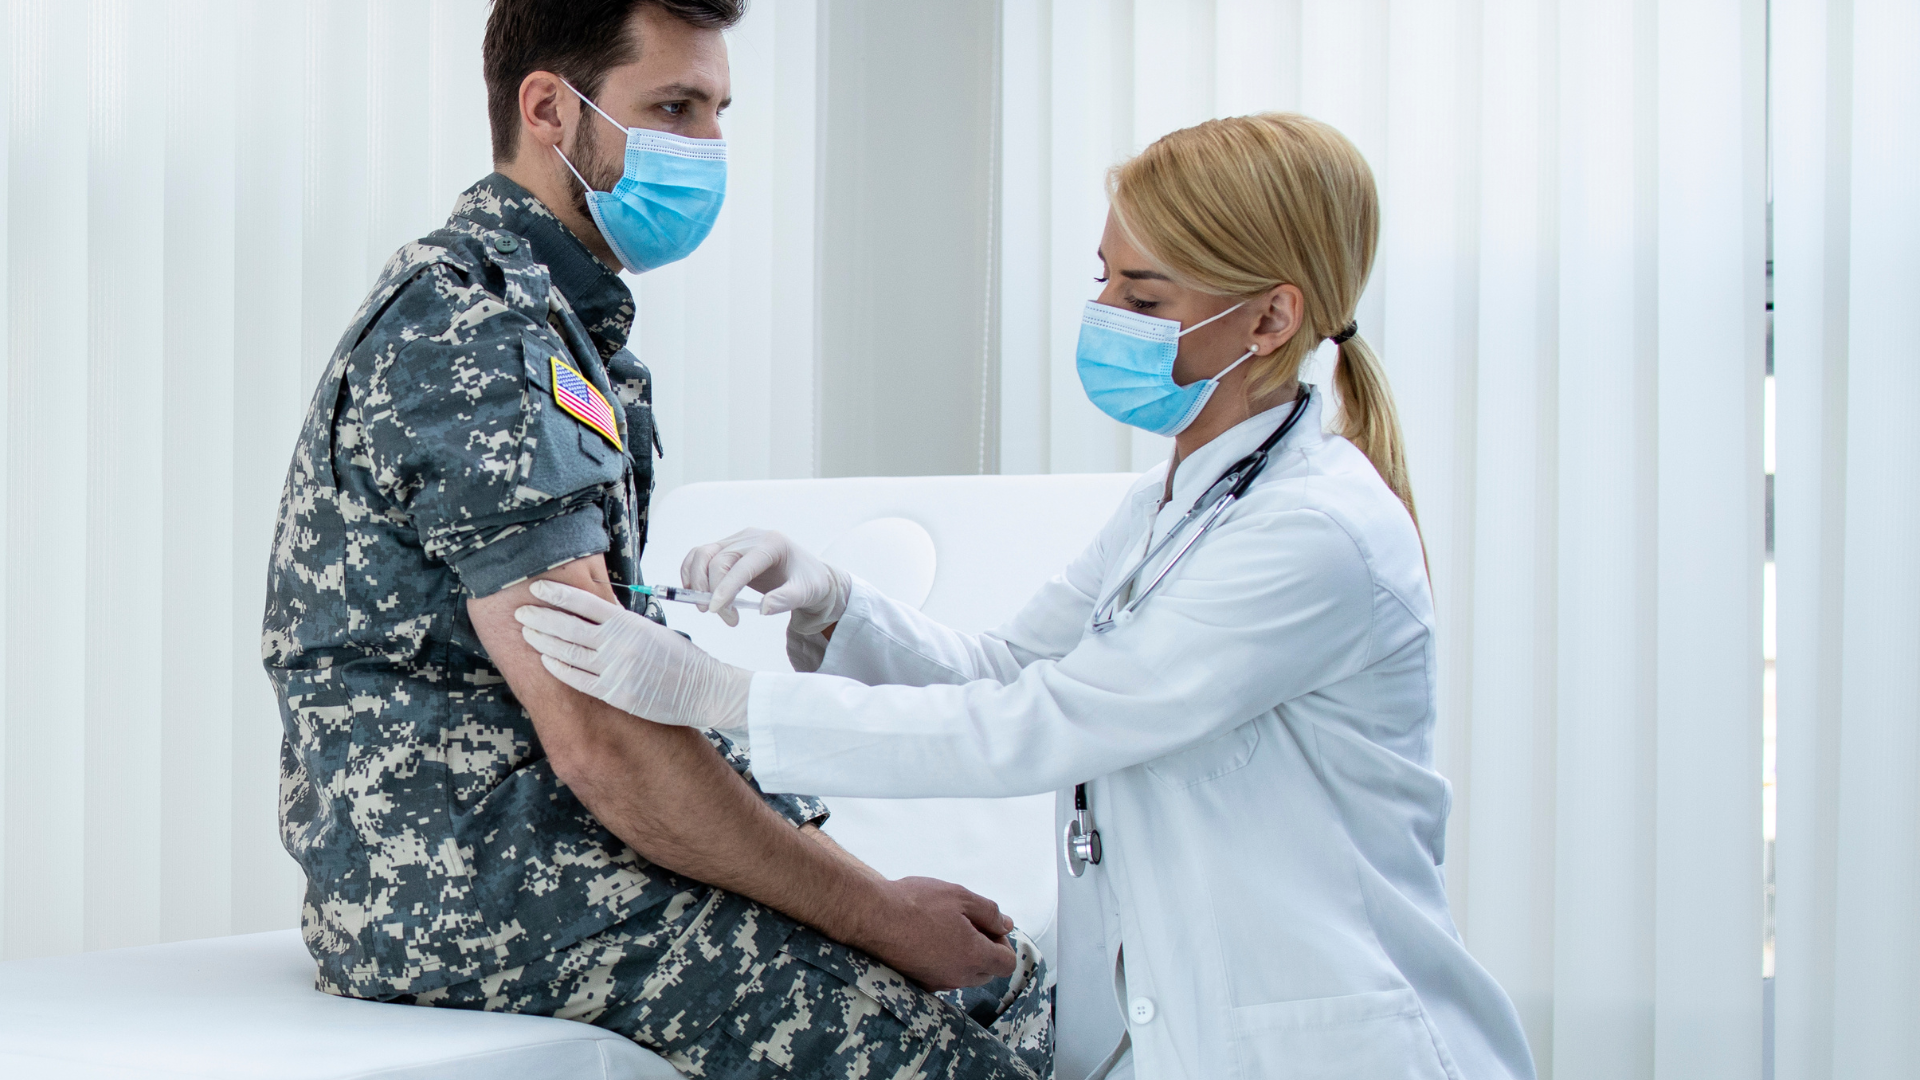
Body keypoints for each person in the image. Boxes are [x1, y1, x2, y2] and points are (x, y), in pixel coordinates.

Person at [517, 114, 1539, 1079]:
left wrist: (727, 699)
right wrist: (832, 600)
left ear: (1271, 318)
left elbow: (1045, 723)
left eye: (1146, 299)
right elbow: (1008, 669)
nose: (1108, 317)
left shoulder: (1315, 534)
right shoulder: (1172, 505)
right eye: (1106, 281)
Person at [261, 2, 1051, 1078]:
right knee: (953, 1062)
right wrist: (884, 917)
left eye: (719, 111)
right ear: (550, 109)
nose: (709, 147)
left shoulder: (562, 326)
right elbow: (606, 737)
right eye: (675, 108)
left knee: (1018, 991)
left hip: (566, 848)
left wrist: (876, 896)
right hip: (478, 887)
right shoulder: (474, 328)